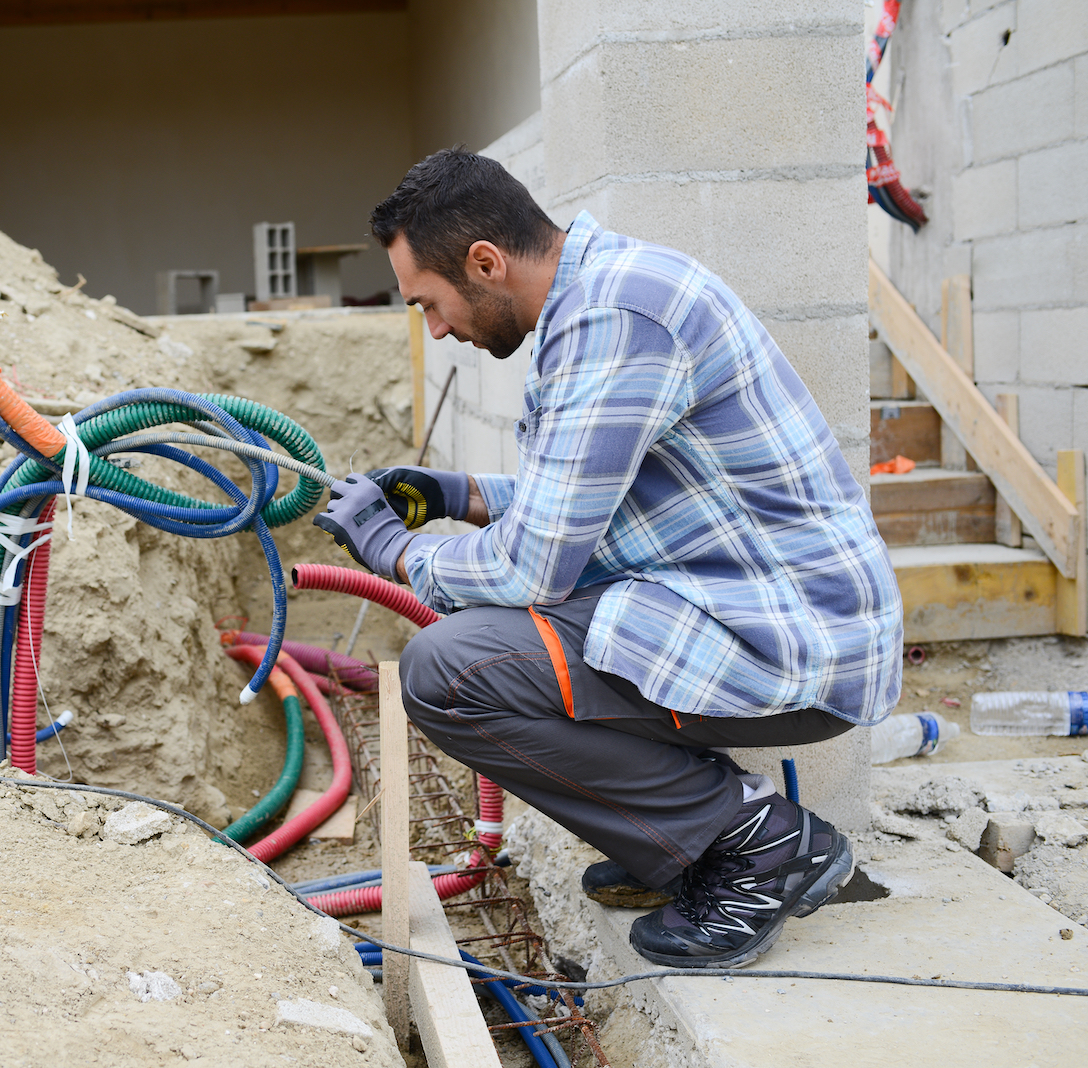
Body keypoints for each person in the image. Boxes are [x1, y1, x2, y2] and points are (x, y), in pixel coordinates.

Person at [312, 149, 902, 968]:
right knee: (491, 647)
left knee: (450, 670)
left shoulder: (619, 318)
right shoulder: (602, 299)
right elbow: (582, 500)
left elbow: (531, 568)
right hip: (744, 615)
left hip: (794, 642)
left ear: (485, 262)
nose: (437, 328)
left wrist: (395, 550)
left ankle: (763, 845)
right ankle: (692, 840)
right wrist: (456, 493)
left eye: (431, 303)